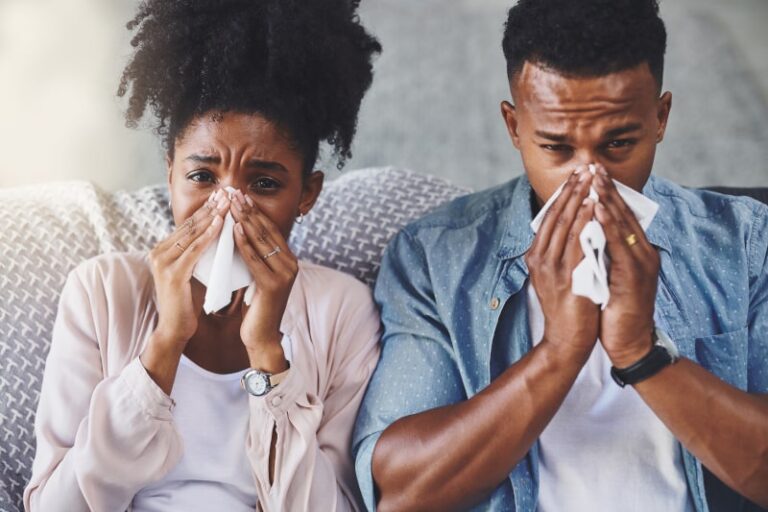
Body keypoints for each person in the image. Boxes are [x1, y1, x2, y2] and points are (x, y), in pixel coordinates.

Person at [353, 0, 768, 510]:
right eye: (556, 148)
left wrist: (641, 353)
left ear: (660, 118)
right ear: (514, 127)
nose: (589, 180)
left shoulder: (746, 243)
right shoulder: (436, 257)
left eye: (618, 144)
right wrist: (559, 351)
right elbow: (399, 494)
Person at [24, 1, 381, 510]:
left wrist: (267, 352)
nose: (229, 207)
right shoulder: (101, 292)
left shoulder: (342, 310)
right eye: (202, 177)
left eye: (263, 183)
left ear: (307, 193)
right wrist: (166, 343)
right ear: (170, 174)